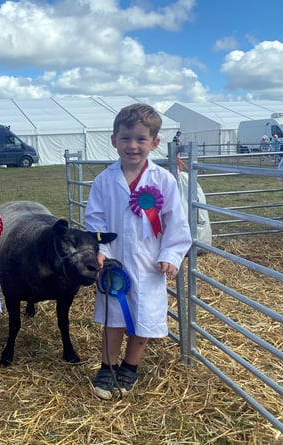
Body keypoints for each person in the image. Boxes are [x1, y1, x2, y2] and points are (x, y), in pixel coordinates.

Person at [84, 103, 192, 400]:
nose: (133, 145)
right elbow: (95, 219)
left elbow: (176, 224)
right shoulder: (104, 180)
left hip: (149, 264)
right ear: (114, 140)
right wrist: (101, 250)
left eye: (141, 139)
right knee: (113, 315)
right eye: (126, 138)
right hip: (114, 262)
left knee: (143, 315)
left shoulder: (163, 181)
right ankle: (108, 366)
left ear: (155, 143)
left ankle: (130, 367)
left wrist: (170, 255)